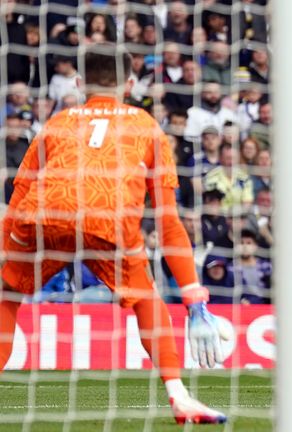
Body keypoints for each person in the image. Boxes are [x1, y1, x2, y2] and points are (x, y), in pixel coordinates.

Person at [0, 46, 228, 424]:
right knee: (145, 298)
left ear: (78, 83)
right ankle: (179, 396)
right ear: (131, 83)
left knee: (6, 297)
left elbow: (19, 194)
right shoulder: (146, 125)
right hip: (109, 220)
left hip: (44, 215)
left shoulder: (56, 123)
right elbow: (168, 220)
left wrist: (7, 254)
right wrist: (194, 300)